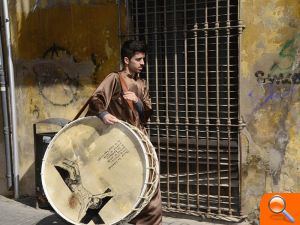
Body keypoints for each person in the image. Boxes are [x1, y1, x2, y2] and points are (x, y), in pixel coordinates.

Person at [86, 40, 162, 225]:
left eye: (143, 59)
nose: (143, 63)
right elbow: (96, 98)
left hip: (140, 142)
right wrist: (103, 114)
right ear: (127, 60)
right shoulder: (114, 78)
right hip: (118, 142)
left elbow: (147, 113)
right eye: (139, 59)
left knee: (149, 189)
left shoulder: (141, 83)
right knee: (118, 188)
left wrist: (137, 101)